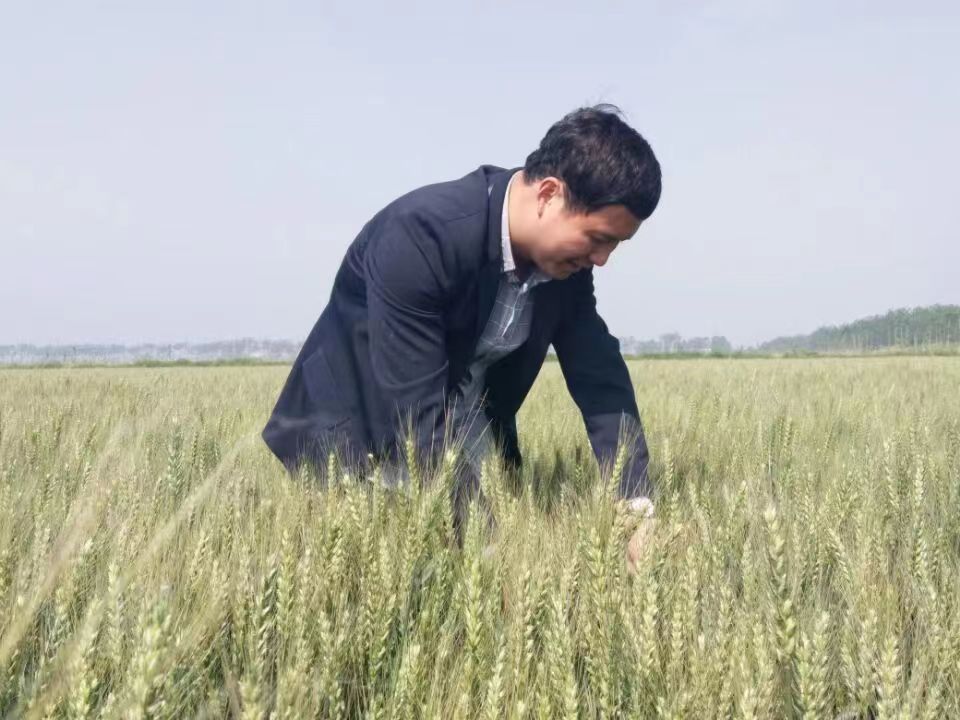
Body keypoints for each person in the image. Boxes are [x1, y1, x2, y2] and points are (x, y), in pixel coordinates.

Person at [262, 103, 661, 570]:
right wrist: (486, 549)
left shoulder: (566, 269)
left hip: (462, 434)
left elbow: (598, 375)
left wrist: (635, 504)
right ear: (549, 194)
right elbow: (416, 411)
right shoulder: (422, 236)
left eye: (616, 245)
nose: (602, 259)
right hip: (357, 435)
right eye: (598, 238)